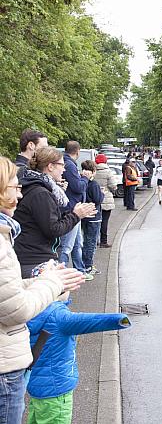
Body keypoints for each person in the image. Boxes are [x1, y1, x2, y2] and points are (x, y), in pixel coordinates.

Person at [0, 156, 85, 424]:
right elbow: (17, 309)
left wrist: (34, 284)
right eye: (15, 188)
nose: (20, 194)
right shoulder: (3, 242)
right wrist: (52, 282)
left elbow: (7, 293)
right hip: (5, 363)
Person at [26, 267, 131, 424]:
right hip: (57, 390)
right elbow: (90, 321)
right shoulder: (60, 316)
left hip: (35, 387)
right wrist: (119, 320)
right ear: (60, 290)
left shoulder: (28, 311)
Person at [13, 148, 96, 278]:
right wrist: (75, 215)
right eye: (62, 165)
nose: (64, 169)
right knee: (65, 289)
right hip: (34, 258)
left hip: (30, 256)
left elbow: (47, 219)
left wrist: (74, 213)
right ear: (50, 166)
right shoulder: (40, 193)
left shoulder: (37, 187)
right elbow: (53, 229)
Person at [58, 141, 91, 278]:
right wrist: (85, 178)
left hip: (74, 209)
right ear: (77, 152)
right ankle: (62, 275)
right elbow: (78, 187)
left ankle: (80, 270)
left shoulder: (67, 162)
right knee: (67, 246)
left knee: (77, 243)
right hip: (71, 209)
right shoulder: (70, 165)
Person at [80, 161, 103, 276]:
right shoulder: (94, 184)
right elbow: (98, 199)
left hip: (84, 215)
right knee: (91, 243)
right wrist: (102, 193)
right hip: (94, 216)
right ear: (93, 171)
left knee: (85, 241)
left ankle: (85, 264)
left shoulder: (82, 183)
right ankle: (88, 266)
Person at [94, 154, 118, 248]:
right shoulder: (108, 172)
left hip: (95, 199)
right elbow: (113, 186)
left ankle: (95, 240)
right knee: (105, 221)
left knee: (95, 221)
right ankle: (103, 241)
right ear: (105, 161)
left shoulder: (94, 171)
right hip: (106, 199)